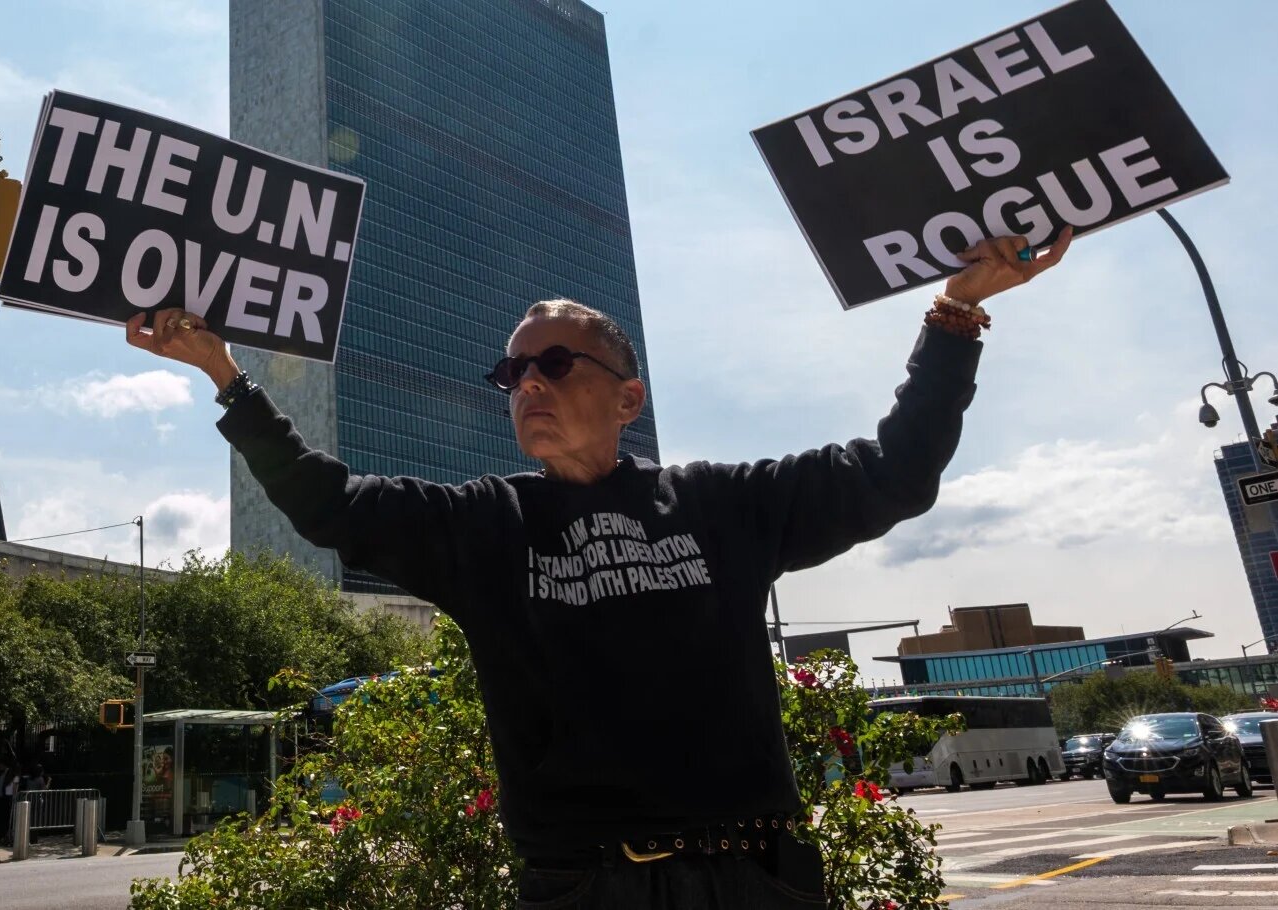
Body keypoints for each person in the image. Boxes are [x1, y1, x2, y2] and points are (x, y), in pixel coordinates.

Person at [125, 228, 1072, 909]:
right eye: (512, 373)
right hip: (584, 884)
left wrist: (955, 313)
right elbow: (325, 500)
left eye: (554, 363)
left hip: (759, 877)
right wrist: (225, 375)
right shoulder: (481, 526)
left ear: (628, 397)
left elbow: (894, 473)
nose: (527, 383)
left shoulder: (722, 504)